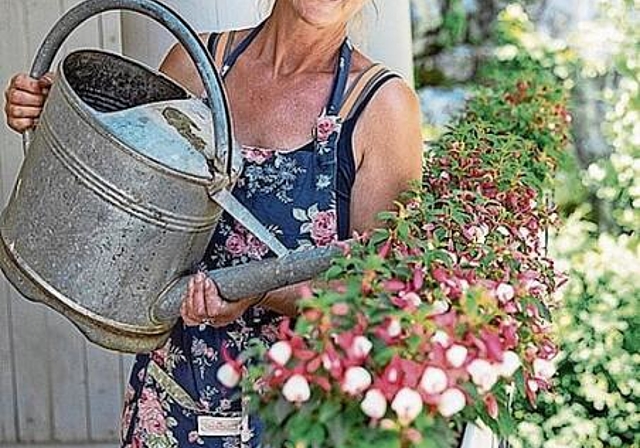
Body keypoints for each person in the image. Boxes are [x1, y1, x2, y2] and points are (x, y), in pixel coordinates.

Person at [4, 0, 423, 446]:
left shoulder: (382, 108)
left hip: (296, 418)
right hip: (169, 403)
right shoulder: (196, 66)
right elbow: (123, 192)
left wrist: (262, 290)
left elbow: (379, 295)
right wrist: (60, 115)